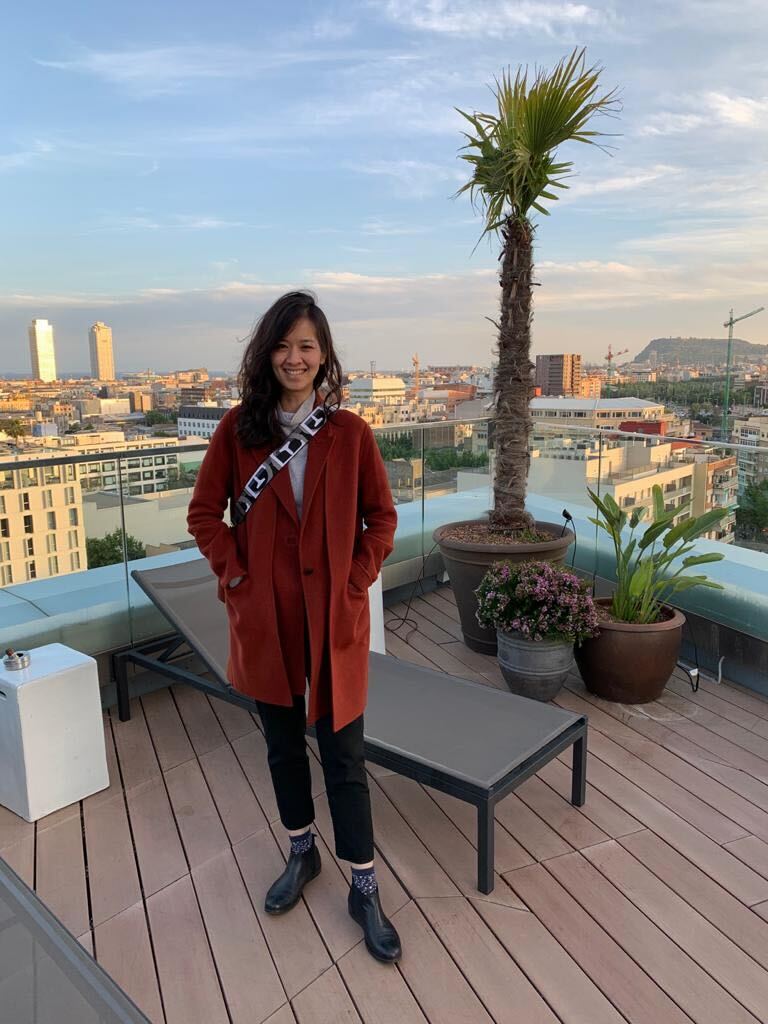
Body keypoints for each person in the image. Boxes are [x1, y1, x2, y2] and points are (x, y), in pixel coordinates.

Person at [187, 291, 401, 963]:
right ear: (266, 353)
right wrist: (238, 577)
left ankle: (363, 886)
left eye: (307, 346)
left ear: (324, 355)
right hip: (266, 619)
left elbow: (382, 519)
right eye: (283, 345)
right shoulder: (236, 430)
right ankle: (302, 852)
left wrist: (356, 579)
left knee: (346, 757)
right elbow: (203, 515)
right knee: (282, 749)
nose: (295, 358)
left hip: (333, 618)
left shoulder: (351, 434)